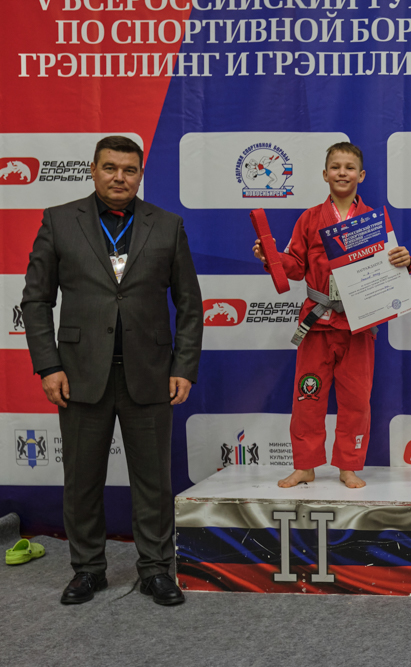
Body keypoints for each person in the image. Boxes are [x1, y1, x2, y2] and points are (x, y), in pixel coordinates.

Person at [21, 135, 203, 605]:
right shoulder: (59, 220)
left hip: (151, 373)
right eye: (110, 167)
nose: (119, 177)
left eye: (129, 169)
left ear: (140, 174)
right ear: (93, 169)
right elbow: (36, 301)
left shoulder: (168, 225)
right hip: (79, 375)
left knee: (154, 482)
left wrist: (184, 366)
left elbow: (190, 304)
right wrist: (49, 366)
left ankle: (156, 569)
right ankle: (88, 570)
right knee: (82, 481)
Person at [253, 142, 411, 489]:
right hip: (317, 323)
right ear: (325, 174)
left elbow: (388, 267)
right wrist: (272, 257)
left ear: (361, 175)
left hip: (359, 324)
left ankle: (348, 465)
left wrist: (405, 261)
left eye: (350, 167)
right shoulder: (309, 218)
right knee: (307, 395)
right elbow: (296, 267)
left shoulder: (374, 220)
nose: (343, 173)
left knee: (356, 399)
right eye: (336, 167)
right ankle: (305, 466)